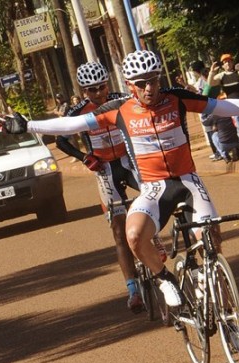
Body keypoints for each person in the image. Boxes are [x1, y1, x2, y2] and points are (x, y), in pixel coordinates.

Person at [1, 50, 239, 309]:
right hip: (153, 187)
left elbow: (220, 106)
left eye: (153, 80)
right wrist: (28, 125)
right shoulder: (118, 110)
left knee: (210, 236)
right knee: (133, 236)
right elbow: (71, 124)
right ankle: (164, 279)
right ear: (129, 86)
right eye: (141, 83)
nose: (149, 88)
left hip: (188, 181)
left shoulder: (176, 97)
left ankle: (224, 304)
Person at [55, 62, 142, 312]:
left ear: (108, 84)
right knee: (118, 231)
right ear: (84, 91)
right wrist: (83, 157)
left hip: (128, 161)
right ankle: (133, 289)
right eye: (92, 90)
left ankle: (153, 241)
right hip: (104, 168)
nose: (98, 93)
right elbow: (60, 140)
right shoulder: (78, 112)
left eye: (102, 87)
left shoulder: (121, 99)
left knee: (153, 198)